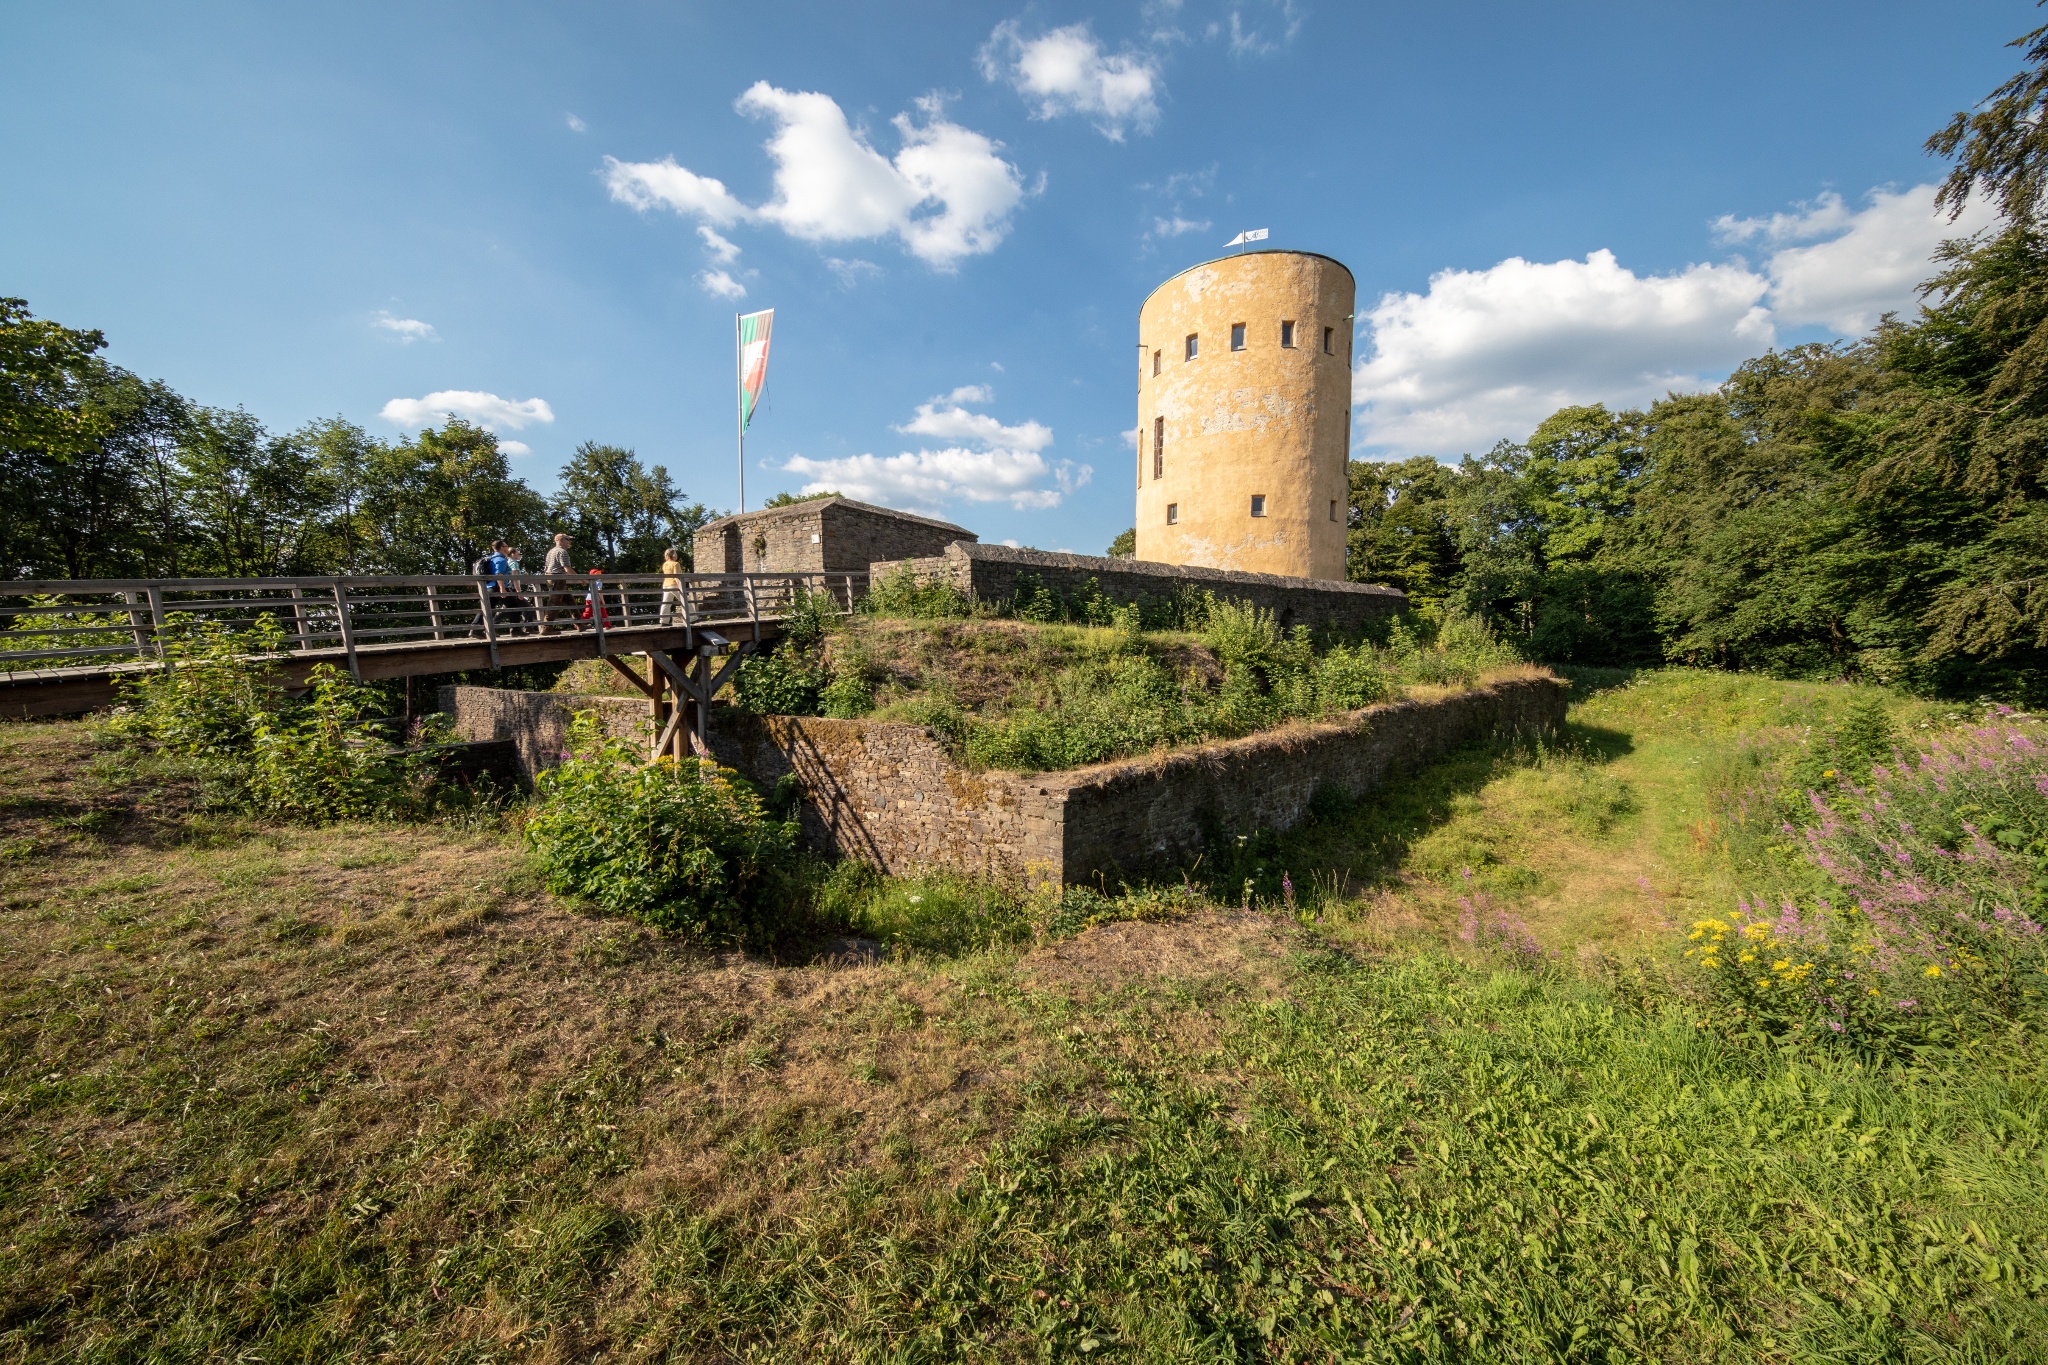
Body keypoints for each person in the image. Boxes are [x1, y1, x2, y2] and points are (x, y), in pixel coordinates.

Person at [540, 533, 575, 633]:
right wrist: (581, 579)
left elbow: (546, 567)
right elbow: (567, 568)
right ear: (561, 540)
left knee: (570, 600)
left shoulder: (551, 551)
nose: (569, 542)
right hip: (558, 579)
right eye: (567, 539)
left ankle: (579, 623)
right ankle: (546, 628)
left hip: (551, 578)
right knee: (554, 603)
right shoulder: (562, 552)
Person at [659, 545, 685, 626]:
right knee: (685, 600)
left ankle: (664, 620)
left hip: (666, 584)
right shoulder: (675, 564)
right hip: (674, 585)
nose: (676, 555)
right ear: (673, 555)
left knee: (666, 603)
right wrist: (681, 587)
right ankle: (692, 618)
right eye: (675, 554)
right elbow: (677, 576)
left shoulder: (665, 564)